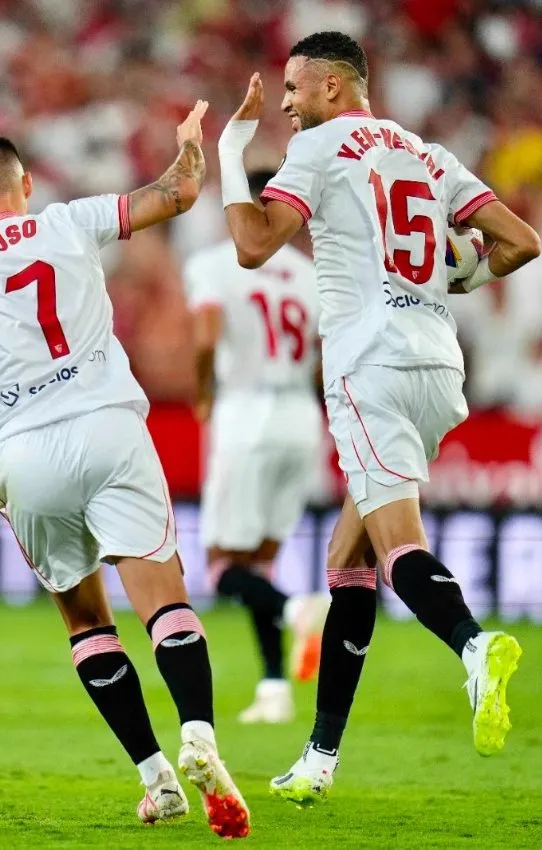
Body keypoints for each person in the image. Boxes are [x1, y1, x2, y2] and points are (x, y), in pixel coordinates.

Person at [0, 104, 250, 838]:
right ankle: (199, 734)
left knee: (87, 621)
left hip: (28, 453)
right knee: (164, 600)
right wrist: (189, 149)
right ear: (25, 184)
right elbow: (178, 194)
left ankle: (156, 780)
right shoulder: (69, 220)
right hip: (110, 427)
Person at [217, 31, 540, 803]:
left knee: (398, 548)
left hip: (371, 365)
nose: (285, 105)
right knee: (348, 556)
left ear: (331, 86)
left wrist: (230, 152)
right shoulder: (427, 154)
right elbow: (520, 243)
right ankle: (319, 758)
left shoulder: (319, 147)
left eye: (293, 88)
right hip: (437, 366)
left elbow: (253, 245)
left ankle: (475, 646)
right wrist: (453, 275)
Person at [184, 168, 327, 724]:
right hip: (300, 416)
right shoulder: (311, 276)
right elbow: (324, 355)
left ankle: (297, 609)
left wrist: (202, 393)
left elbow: (205, 337)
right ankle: (273, 689)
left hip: (246, 413)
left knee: (222, 566)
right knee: (260, 562)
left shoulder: (215, 265)